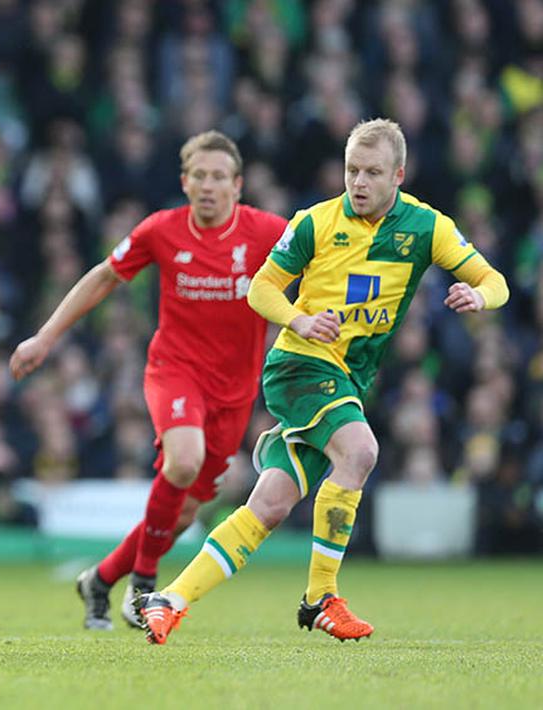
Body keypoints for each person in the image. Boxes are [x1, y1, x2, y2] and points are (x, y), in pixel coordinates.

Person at [137, 118, 510, 644]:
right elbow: (261, 289)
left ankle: (169, 598)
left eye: (372, 172)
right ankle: (321, 598)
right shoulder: (314, 222)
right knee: (359, 451)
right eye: (351, 170)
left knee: (269, 505)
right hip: (299, 364)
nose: (358, 182)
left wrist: (480, 297)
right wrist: (299, 319)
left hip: (349, 379)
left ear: (398, 175)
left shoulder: (428, 229)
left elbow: (495, 281)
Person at [9, 130, 287, 630]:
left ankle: (100, 579)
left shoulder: (268, 233)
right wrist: (45, 338)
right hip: (174, 372)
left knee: (182, 515)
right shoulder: (161, 230)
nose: (208, 185)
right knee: (183, 461)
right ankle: (142, 585)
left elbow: (319, 270)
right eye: (198, 176)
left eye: (218, 177)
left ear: (238, 185)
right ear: (184, 182)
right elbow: (102, 276)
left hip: (235, 392)